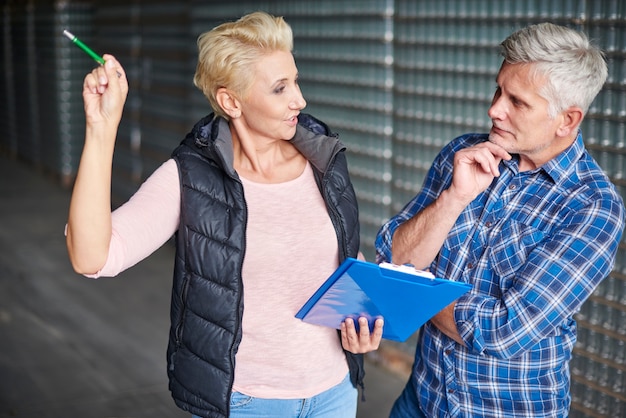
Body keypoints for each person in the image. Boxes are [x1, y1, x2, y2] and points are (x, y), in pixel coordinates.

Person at [66, 11, 383, 418]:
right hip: (246, 403)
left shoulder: (324, 160)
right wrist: (101, 127)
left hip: (335, 391)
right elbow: (92, 256)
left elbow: (335, 270)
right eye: (279, 88)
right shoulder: (191, 178)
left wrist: (359, 329)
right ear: (231, 101)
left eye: (296, 81)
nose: (299, 100)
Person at [375, 22, 625, 418]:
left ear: (567, 120)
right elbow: (393, 261)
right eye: (498, 90)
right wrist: (454, 198)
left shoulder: (592, 207)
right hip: (422, 400)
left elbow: (507, 330)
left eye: (517, 101)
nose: (494, 109)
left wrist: (416, 292)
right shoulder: (463, 154)